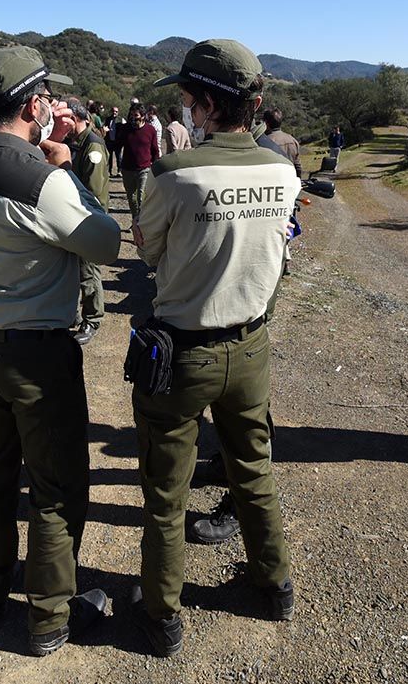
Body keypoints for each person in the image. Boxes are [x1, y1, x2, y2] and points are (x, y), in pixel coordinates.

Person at [0, 46, 121, 656]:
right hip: (36, 354)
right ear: (36, 103)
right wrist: (67, 169)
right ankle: (48, 617)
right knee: (55, 486)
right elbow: (106, 244)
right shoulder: (44, 181)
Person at [129, 38, 298, 656]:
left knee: (166, 493)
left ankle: (162, 614)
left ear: (202, 102)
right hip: (251, 346)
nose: (185, 107)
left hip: (182, 350)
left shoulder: (173, 174)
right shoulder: (283, 170)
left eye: (187, 97)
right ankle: (274, 584)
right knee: (253, 471)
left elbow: (150, 253)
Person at [64, 98, 111, 345]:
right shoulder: (74, 143)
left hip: (87, 218)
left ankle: (92, 318)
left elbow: (92, 191)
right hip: (74, 216)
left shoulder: (92, 146)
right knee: (73, 269)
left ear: (75, 118)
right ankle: (73, 315)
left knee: (88, 271)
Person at [119, 102, 160, 225]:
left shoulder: (150, 130)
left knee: (141, 197)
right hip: (127, 169)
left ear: (142, 116)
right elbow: (117, 144)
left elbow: (155, 150)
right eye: (131, 115)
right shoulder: (126, 129)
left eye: (135, 115)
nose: (133, 117)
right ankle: (136, 219)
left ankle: (143, 222)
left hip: (144, 168)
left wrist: (156, 165)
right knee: (131, 198)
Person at [262, 109, 302, 178]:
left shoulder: (263, 142)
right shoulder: (292, 140)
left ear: (266, 123)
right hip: (289, 180)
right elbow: (297, 166)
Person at [105, 105, 122, 175]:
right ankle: (109, 171)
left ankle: (119, 171)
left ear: (118, 113)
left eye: (116, 111)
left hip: (117, 142)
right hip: (109, 141)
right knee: (109, 157)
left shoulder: (120, 120)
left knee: (118, 157)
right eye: (113, 111)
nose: (114, 113)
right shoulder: (108, 119)